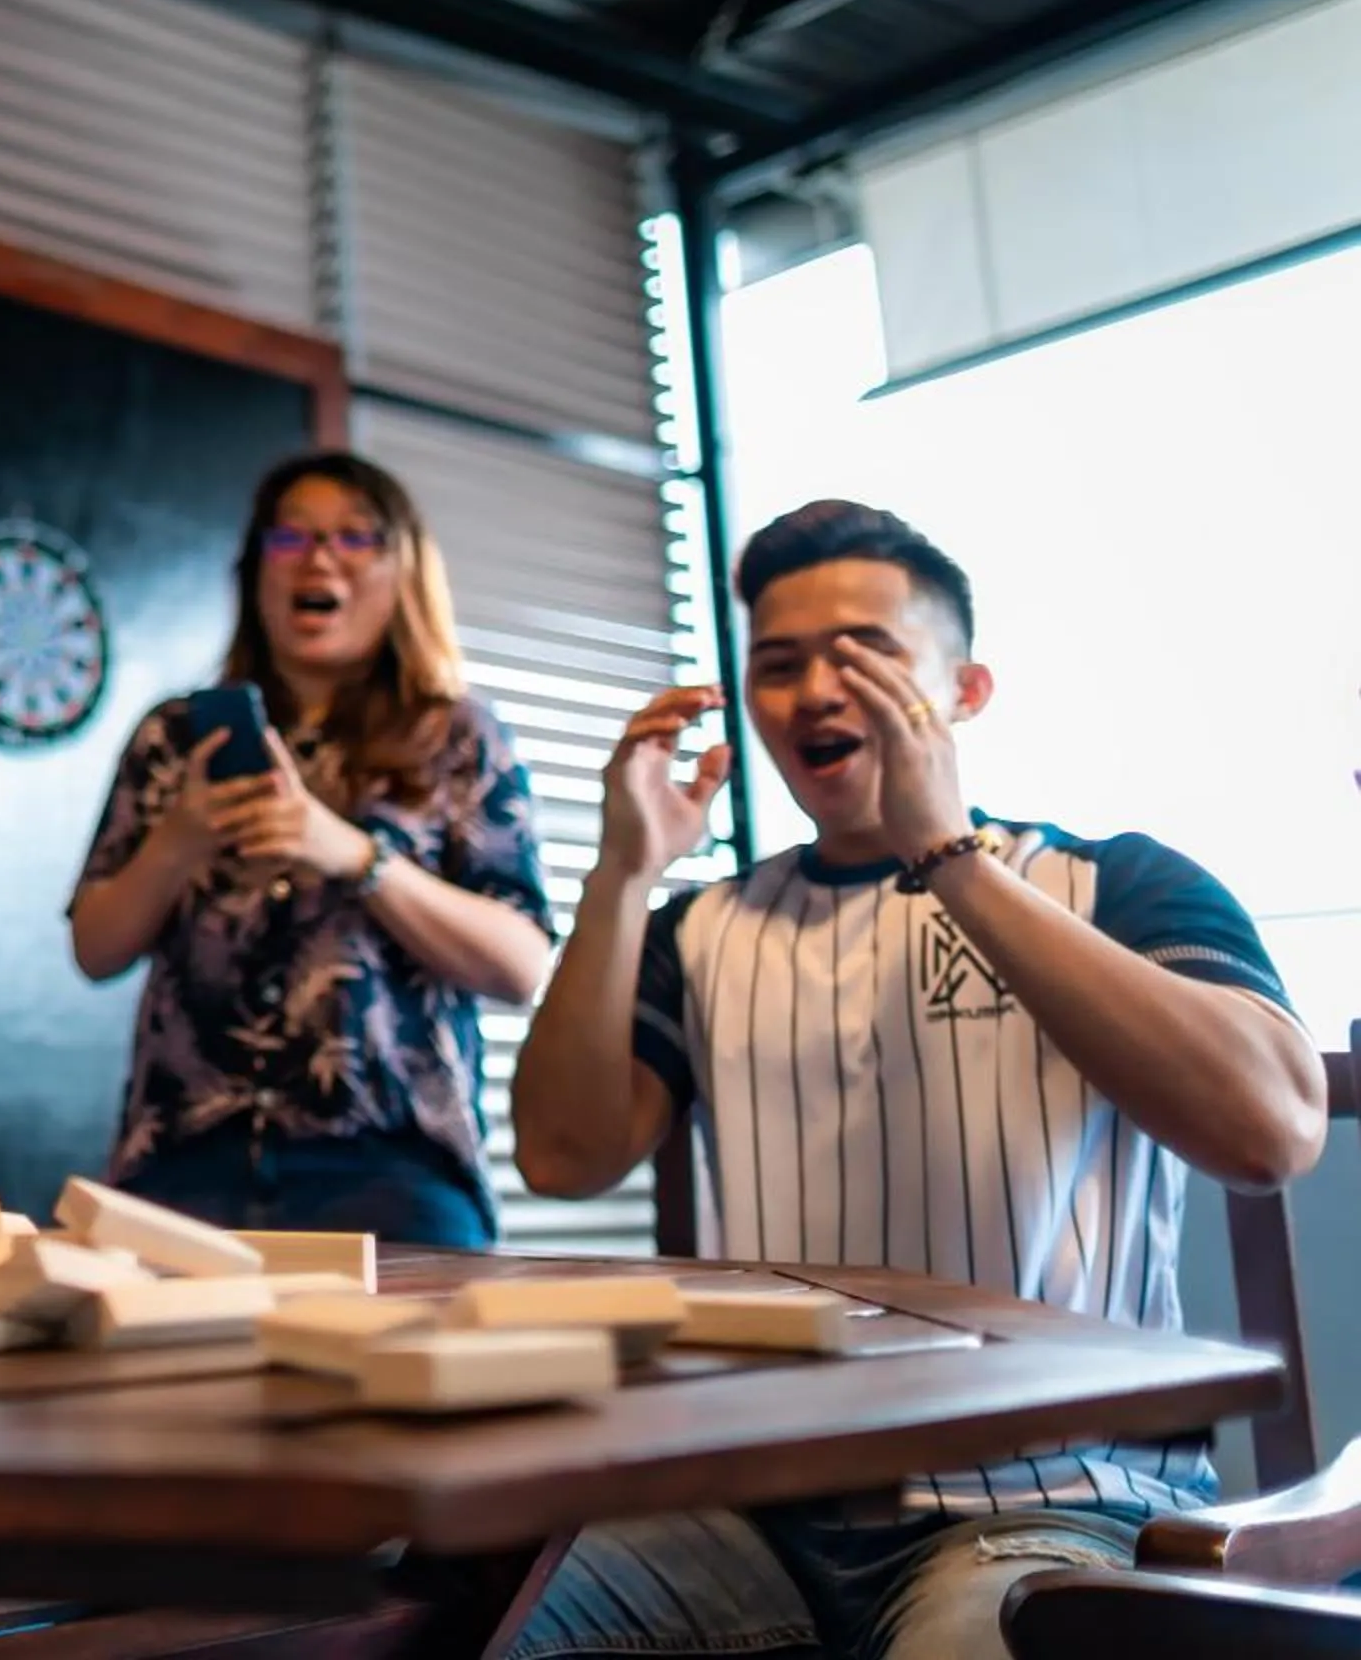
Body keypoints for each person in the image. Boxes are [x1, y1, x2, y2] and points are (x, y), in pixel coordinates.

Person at [507, 499, 1328, 1660]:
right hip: (751, 1505)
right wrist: (624, 874)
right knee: (465, 1616)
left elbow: (1275, 1130)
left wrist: (948, 853)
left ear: (967, 689)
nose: (818, 690)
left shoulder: (1119, 881)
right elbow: (563, 1153)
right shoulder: (697, 930)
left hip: (1056, 1501)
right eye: (780, 665)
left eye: (867, 653)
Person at [67, 450, 555, 1246]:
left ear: (404, 571)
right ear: (255, 570)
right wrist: (179, 841)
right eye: (289, 539)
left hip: (393, 1171)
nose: (318, 558)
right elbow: (94, 948)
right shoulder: (175, 737)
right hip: (182, 1166)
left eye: (355, 538)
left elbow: (521, 964)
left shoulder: (457, 736)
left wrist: (358, 857)